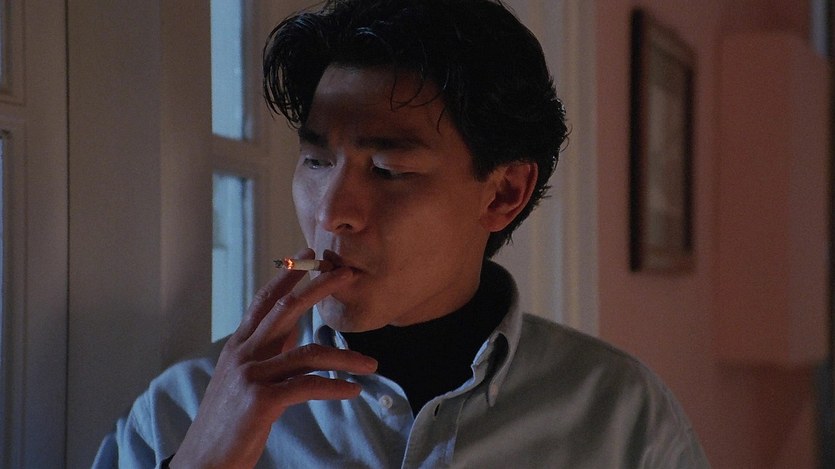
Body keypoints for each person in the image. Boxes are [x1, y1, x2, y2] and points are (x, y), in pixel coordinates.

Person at [94, 0, 709, 467]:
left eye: (388, 169)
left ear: (503, 194)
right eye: (316, 161)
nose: (332, 212)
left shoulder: (620, 415)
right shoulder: (184, 408)